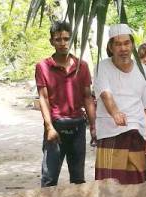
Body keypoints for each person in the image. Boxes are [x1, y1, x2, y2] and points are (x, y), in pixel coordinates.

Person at [93, 24, 146, 184]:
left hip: (137, 133)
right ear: (110, 46)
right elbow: (105, 93)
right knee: (107, 188)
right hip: (109, 133)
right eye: (118, 44)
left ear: (132, 45)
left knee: (137, 186)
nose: (123, 48)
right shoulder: (102, 67)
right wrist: (115, 112)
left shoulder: (142, 70)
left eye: (126, 43)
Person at [35, 20, 95, 187]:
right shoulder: (43, 67)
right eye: (58, 39)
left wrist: (94, 126)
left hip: (78, 126)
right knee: (49, 178)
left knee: (78, 179)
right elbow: (43, 98)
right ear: (52, 41)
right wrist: (49, 127)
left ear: (72, 40)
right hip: (56, 127)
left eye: (66, 39)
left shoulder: (81, 66)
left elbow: (87, 97)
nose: (62, 43)